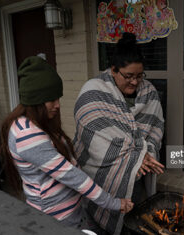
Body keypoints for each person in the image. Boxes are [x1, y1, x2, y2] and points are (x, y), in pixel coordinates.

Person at [0, 56, 134, 231]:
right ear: (36, 100)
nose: (58, 105)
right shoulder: (27, 135)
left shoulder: (37, 123)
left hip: (72, 212)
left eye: (58, 98)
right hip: (55, 220)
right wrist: (114, 203)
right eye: (51, 100)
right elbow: (71, 175)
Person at [73, 32, 165, 235]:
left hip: (136, 178)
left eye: (139, 76)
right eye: (129, 76)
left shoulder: (149, 92)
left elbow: (155, 130)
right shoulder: (93, 90)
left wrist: (144, 154)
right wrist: (136, 157)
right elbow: (93, 132)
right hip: (100, 180)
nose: (135, 82)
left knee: (132, 222)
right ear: (113, 70)